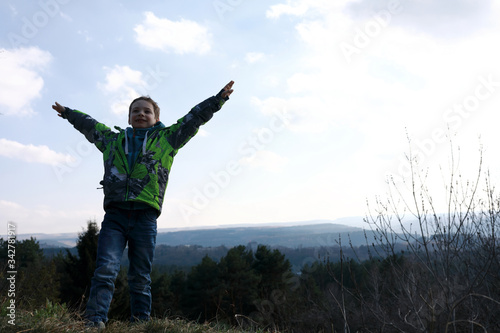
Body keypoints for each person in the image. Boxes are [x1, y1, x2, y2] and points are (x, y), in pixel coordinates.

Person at [52, 81, 234, 329]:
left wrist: (217, 100)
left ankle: (140, 325)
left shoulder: (168, 139)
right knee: (105, 269)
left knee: (140, 276)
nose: (141, 114)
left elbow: (193, 120)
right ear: (128, 117)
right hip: (115, 216)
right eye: (136, 110)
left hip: (145, 218)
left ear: (156, 118)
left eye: (147, 111)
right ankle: (95, 322)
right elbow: (90, 126)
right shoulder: (112, 141)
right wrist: (68, 113)